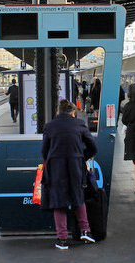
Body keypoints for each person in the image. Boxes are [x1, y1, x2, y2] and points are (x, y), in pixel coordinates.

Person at [40, 99, 97, 249]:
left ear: (58, 111)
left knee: (59, 200)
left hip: (56, 166)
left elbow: (44, 151)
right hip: (75, 165)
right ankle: (86, 231)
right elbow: (93, 146)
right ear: (72, 112)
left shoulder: (50, 126)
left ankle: (62, 239)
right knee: (78, 196)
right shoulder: (79, 124)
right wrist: (81, 156)